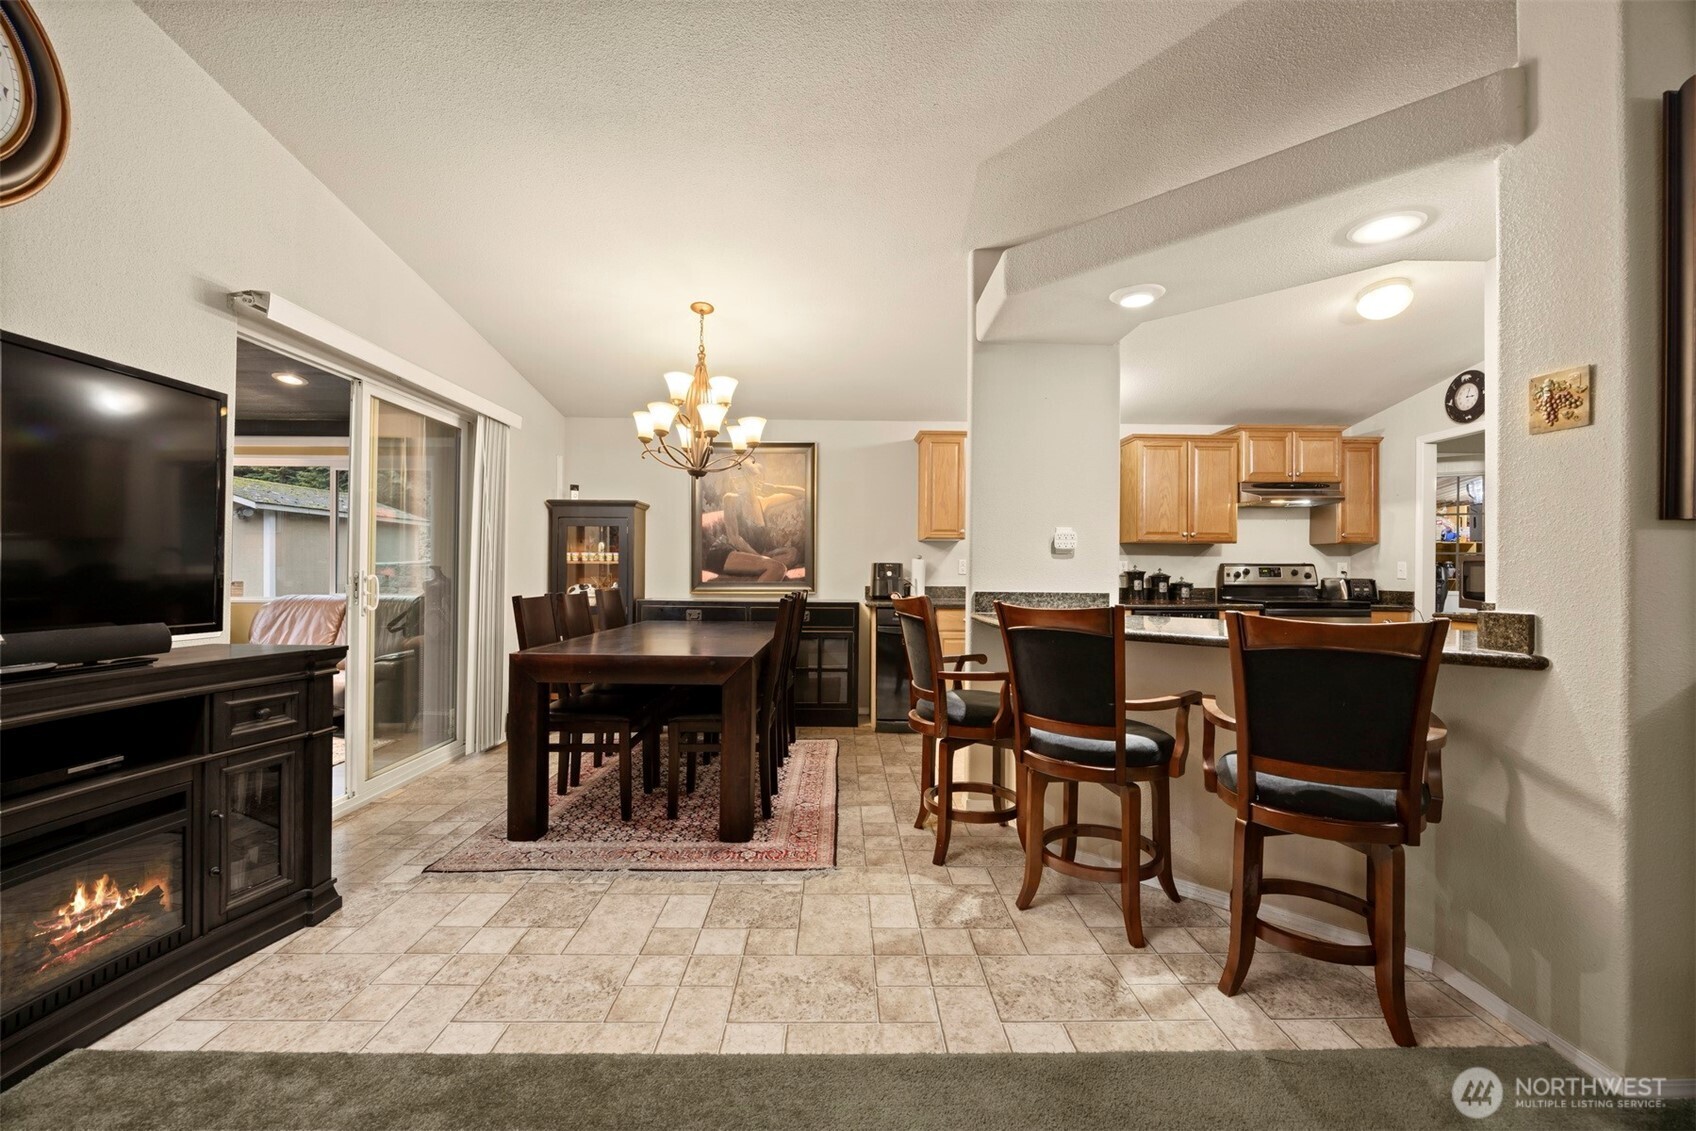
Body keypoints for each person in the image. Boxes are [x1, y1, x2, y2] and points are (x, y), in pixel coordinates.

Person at [700, 458, 808, 583]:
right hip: (727, 554)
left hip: (756, 555)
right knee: (778, 568)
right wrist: (763, 558)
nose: (737, 484)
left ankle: (762, 569)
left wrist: (775, 488)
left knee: (793, 554)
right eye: (734, 480)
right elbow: (734, 538)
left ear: (750, 478)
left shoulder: (763, 502)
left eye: (740, 479)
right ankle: (755, 597)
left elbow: (803, 493)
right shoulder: (730, 499)